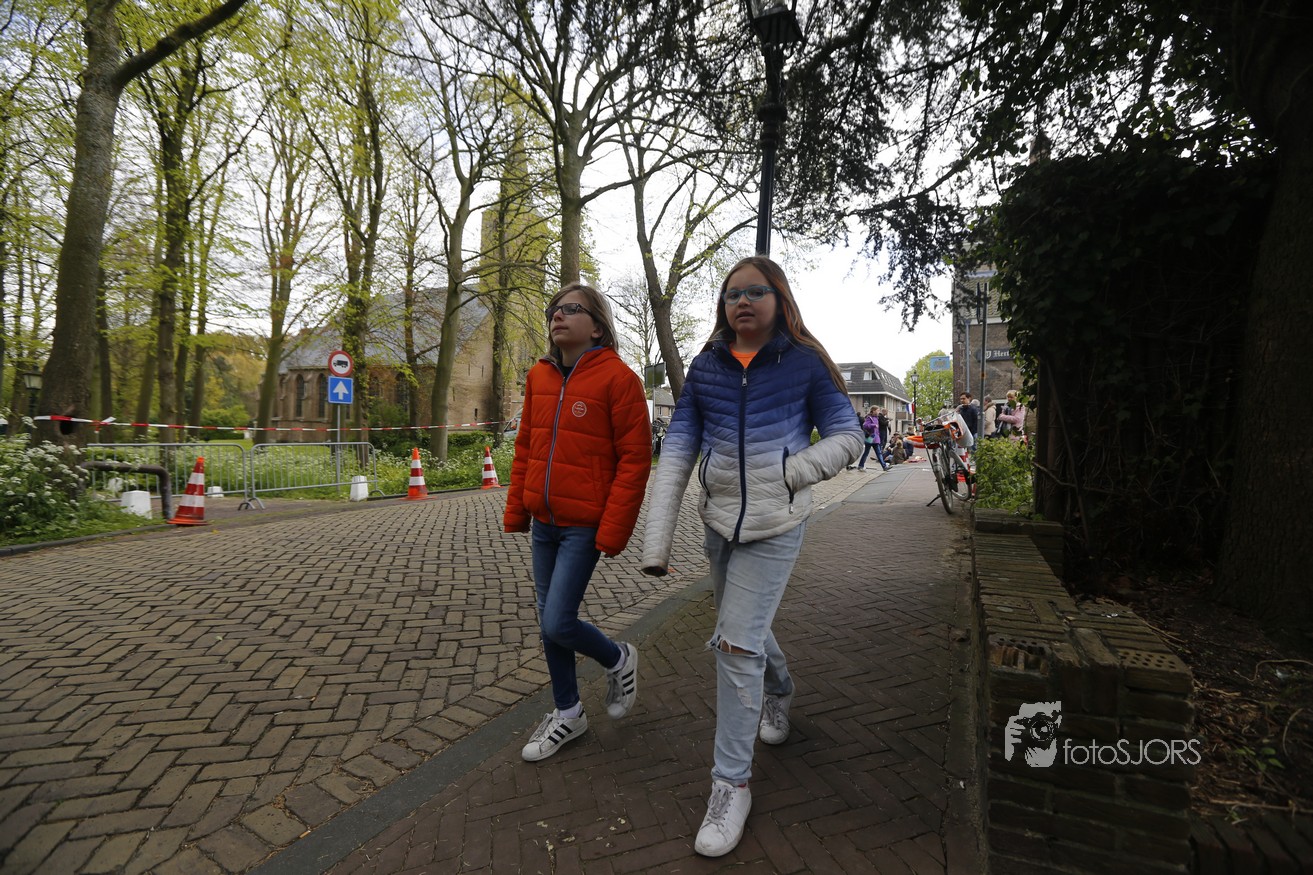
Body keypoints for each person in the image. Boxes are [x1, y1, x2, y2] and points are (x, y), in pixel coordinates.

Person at [641, 256, 862, 857]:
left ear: (779, 298)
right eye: (733, 293)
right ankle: (781, 689)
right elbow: (678, 450)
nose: (742, 301)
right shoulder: (707, 365)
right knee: (744, 630)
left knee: (736, 646)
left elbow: (848, 436)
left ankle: (730, 784)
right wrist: (656, 542)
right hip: (718, 524)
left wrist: (792, 472)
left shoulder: (805, 363)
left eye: (756, 292)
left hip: (776, 524)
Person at [504, 282, 652, 763]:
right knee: (549, 623)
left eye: (571, 309)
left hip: (583, 525)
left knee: (557, 620)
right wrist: (518, 508)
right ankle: (568, 712)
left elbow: (634, 460)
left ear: (597, 327)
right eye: (554, 309)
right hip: (544, 521)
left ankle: (617, 657)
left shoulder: (620, 380)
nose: (558, 315)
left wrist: (613, 529)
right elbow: (526, 447)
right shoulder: (539, 376)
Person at [852, 405, 887, 471]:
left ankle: (884, 466)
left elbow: (877, 430)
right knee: (866, 453)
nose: (878, 412)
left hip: (875, 438)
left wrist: (878, 437)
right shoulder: (869, 417)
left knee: (878, 453)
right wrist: (874, 425)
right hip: (870, 438)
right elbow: (865, 425)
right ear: (873, 411)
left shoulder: (877, 418)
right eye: (877, 410)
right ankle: (861, 465)